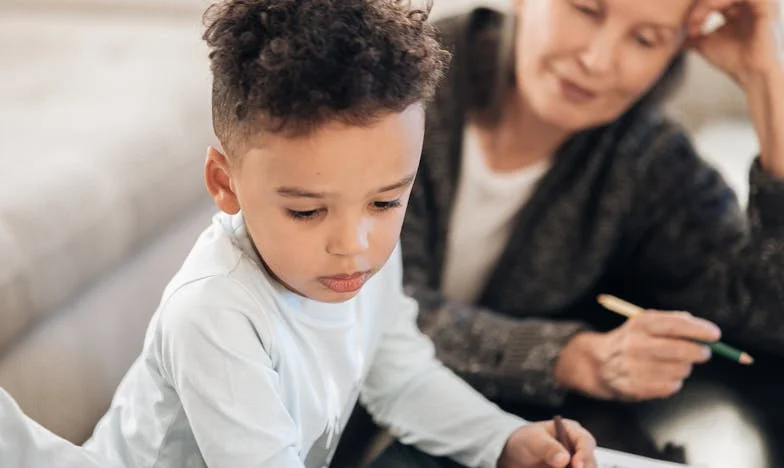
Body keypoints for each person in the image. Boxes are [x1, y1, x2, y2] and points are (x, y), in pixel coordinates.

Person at [0, 1, 599, 467]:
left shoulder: (361, 262)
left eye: (387, 201)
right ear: (224, 181)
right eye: (308, 212)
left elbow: (403, 376)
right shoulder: (214, 314)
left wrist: (504, 439)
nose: (354, 242)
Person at [400, 0, 784, 408]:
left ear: (676, 48)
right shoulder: (404, 82)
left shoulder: (646, 160)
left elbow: (766, 311)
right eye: (585, 10)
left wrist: (766, 80)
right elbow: (375, 312)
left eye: (645, 39)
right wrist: (569, 358)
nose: (596, 61)